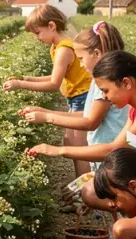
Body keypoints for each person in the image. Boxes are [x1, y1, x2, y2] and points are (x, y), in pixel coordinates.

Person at [27, 51, 136, 204]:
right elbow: (119, 149)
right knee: (100, 185)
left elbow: (113, 149)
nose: (104, 96)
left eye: (106, 90)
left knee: (99, 189)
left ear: (126, 83)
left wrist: (58, 150)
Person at [18, 21, 129, 212]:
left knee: (117, 202)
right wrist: (46, 111)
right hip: (105, 150)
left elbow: (90, 122)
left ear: (97, 54)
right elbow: (87, 114)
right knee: (111, 200)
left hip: (112, 151)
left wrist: (47, 118)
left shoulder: (107, 80)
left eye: (81, 58)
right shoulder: (100, 77)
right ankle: (113, 237)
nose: (81, 63)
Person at [4, 4, 93, 177]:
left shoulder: (63, 49)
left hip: (83, 97)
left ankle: (85, 193)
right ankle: (79, 188)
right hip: (77, 97)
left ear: (51, 26)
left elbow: (53, 84)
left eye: (38, 33)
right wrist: (27, 79)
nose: (37, 38)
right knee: (69, 141)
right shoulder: (58, 47)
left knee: (79, 148)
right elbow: (56, 77)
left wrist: (21, 85)